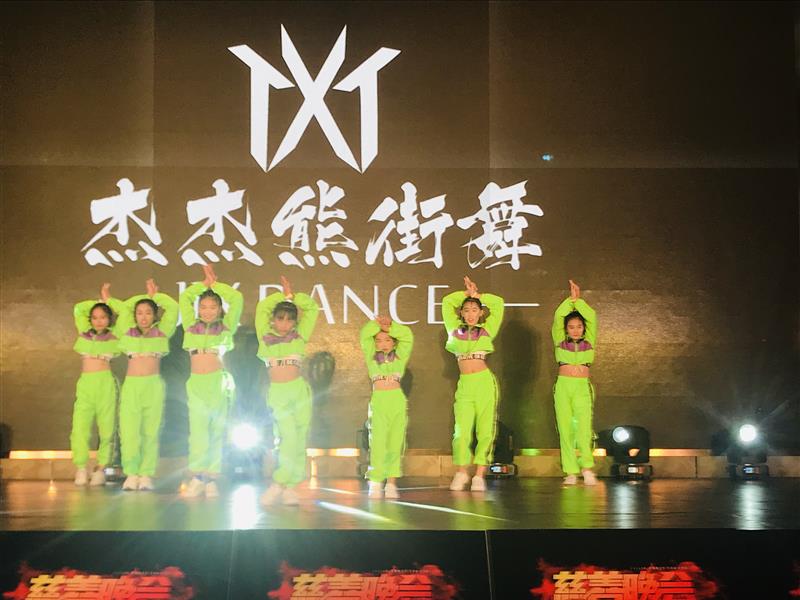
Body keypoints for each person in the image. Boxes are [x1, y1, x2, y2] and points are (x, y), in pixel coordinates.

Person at [179, 264, 243, 498]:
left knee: (216, 430)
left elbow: (237, 299)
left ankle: (211, 478)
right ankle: (198, 476)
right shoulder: (190, 326)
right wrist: (203, 285)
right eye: (203, 307)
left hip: (218, 382)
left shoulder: (226, 327)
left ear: (219, 309)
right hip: (196, 383)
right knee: (198, 432)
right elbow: (185, 298)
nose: (207, 311)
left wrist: (215, 285)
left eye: (212, 307)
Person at [256, 276, 319, 506]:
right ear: (273, 320)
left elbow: (312, 309)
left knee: (299, 438)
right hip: (278, 393)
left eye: (289, 320)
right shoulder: (265, 337)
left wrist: (294, 298)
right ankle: (279, 482)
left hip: (299, 391)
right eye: (280, 318)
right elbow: (262, 309)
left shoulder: (299, 337)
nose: (284, 324)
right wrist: (282, 296)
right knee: (288, 437)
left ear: (294, 323)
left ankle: (290, 487)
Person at [441, 276, 504, 492]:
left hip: (484, 382)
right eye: (466, 310)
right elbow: (446, 302)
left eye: (474, 310)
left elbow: (498, 304)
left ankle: (479, 475)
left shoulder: (487, 329)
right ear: (461, 312)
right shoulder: (453, 329)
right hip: (465, 384)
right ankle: (461, 472)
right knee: (461, 431)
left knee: (485, 430)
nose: (470, 314)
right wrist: (465, 294)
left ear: (480, 313)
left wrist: (478, 295)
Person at [117, 279, 178, 491]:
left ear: (155, 316)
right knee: (129, 431)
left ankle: (146, 474)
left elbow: (173, 307)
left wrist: (155, 297)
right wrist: (143, 296)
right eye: (140, 313)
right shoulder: (126, 332)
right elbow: (124, 307)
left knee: (151, 431)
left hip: (153, 385)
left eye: (148, 312)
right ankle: (131, 473)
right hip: (132, 386)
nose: (143, 317)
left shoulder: (162, 332)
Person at [71, 284, 125, 486]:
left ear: (109, 319)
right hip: (86, 383)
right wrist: (98, 302)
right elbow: (78, 309)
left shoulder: (115, 334)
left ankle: (101, 468)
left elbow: (125, 312)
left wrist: (108, 300)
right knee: (80, 427)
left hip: (105, 382)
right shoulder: (84, 332)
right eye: (95, 317)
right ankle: (81, 467)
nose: (99, 321)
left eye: (103, 317)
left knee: (107, 428)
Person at [359, 315, 414, 499]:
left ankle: (391, 483)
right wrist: (377, 324)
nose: (383, 344)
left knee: (396, 442)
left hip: (397, 399)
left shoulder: (400, 356)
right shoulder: (371, 356)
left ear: (394, 342)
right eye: (379, 340)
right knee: (377, 440)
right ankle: (375, 481)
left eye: (388, 340)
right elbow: (364, 335)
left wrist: (390, 326)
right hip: (379, 400)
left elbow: (407, 336)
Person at [552, 279, 598, 485]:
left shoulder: (589, 340)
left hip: (581, 386)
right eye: (571, 327)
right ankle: (570, 471)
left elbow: (592, 317)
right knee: (565, 428)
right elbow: (558, 317)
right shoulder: (560, 340)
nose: (576, 330)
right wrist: (569, 301)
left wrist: (578, 301)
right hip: (563, 385)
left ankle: (587, 468)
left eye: (579, 326)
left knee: (584, 428)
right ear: (566, 329)